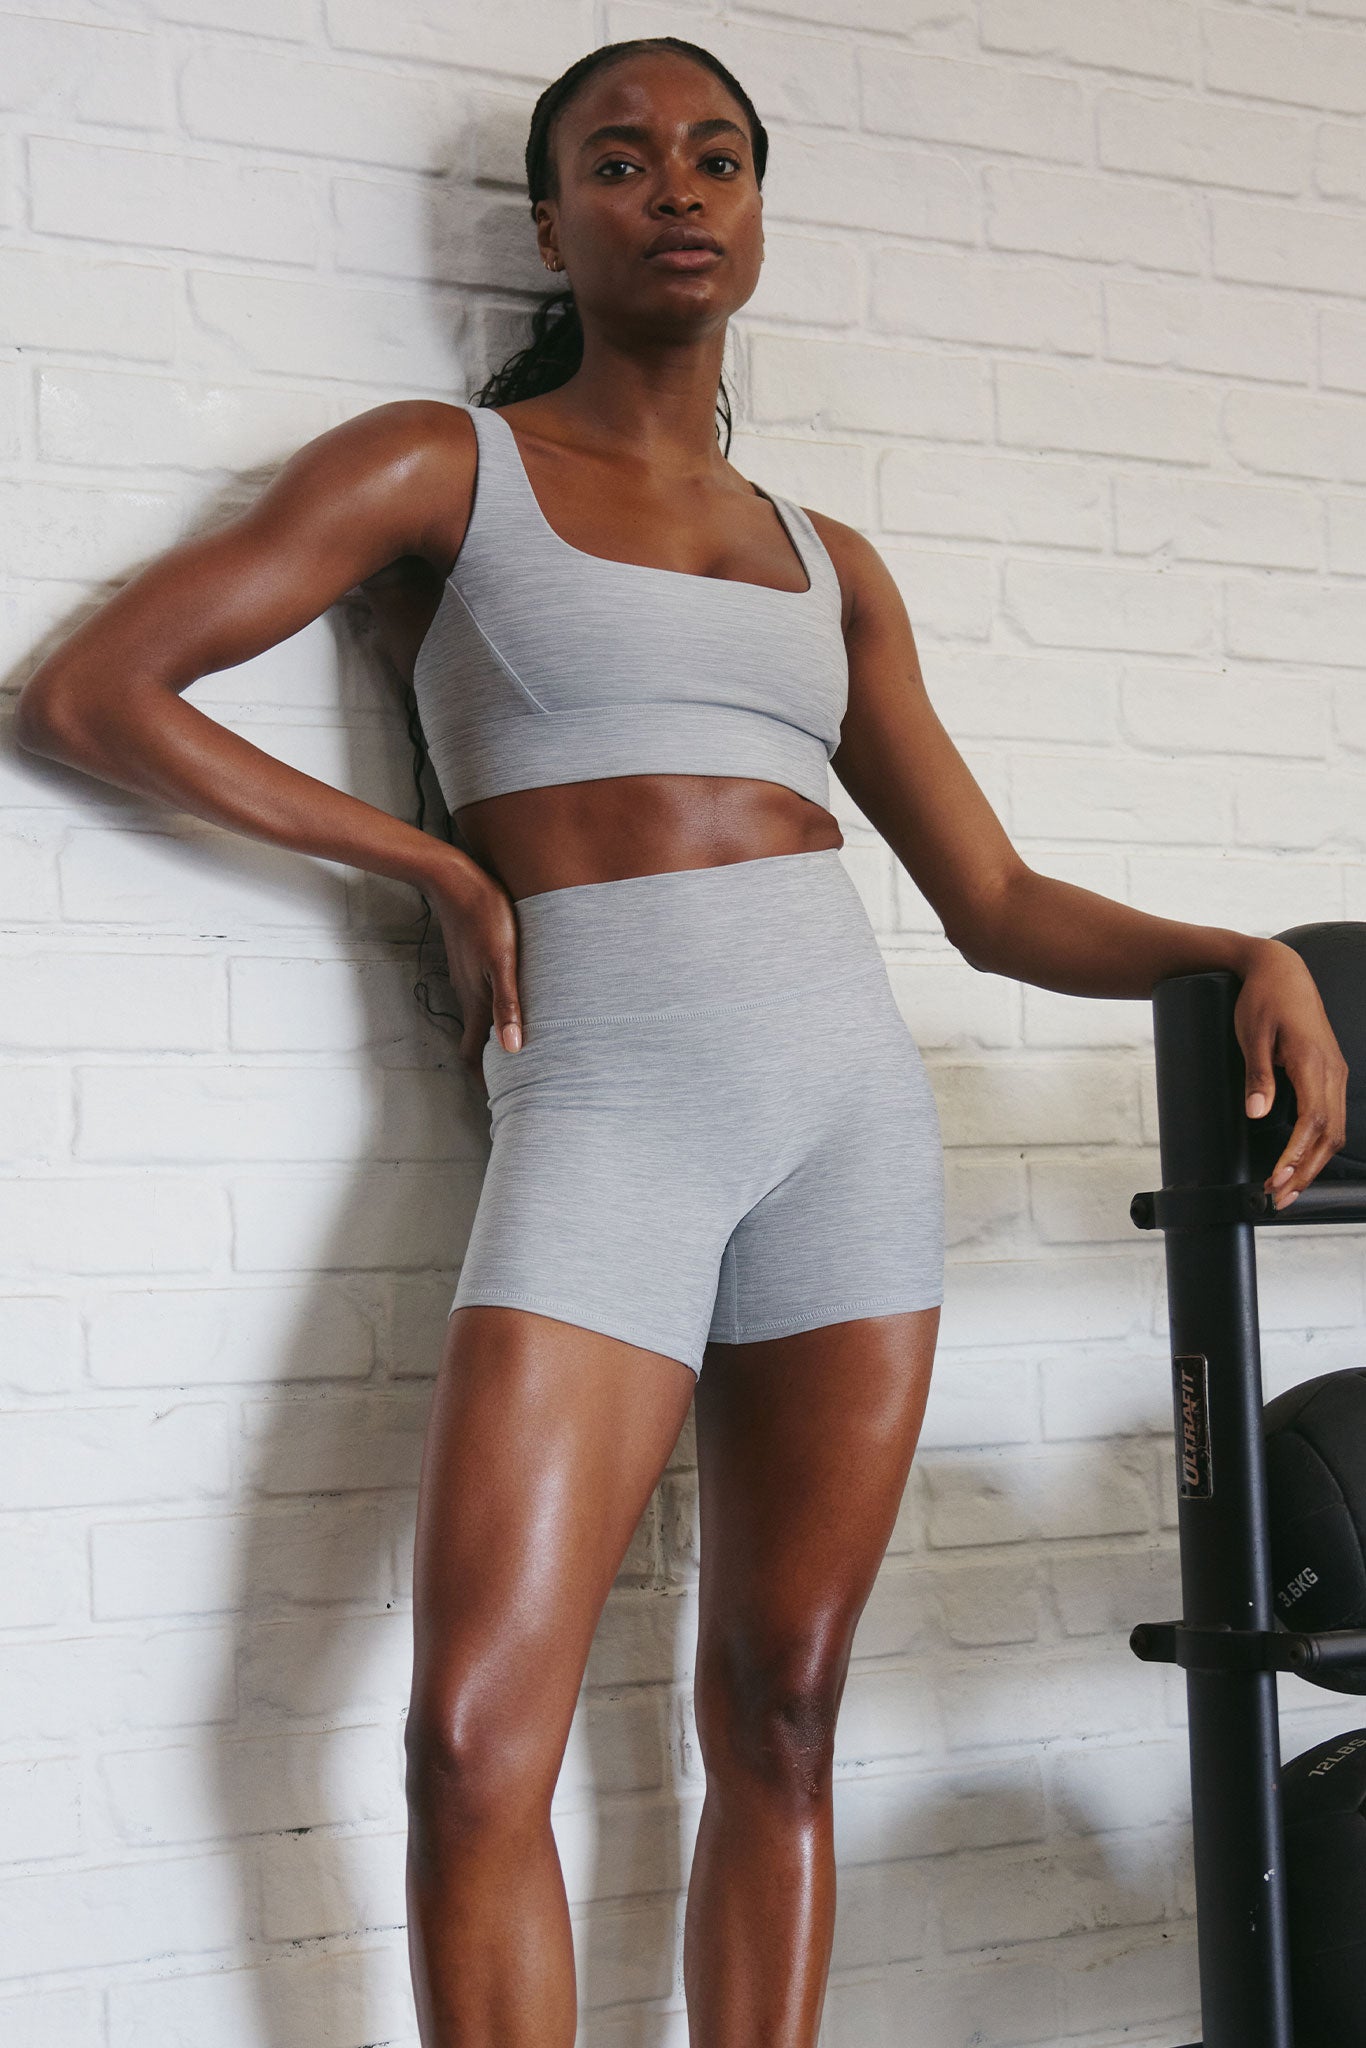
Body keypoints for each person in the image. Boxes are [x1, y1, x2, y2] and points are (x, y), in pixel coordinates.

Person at [14, 32, 1349, 2048]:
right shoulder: (436, 467)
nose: (677, 188)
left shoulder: (828, 561)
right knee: (471, 1736)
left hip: (845, 1123)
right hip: (608, 1111)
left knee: (785, 1710)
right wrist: (432, 869)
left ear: (754, 214)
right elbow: (100, 692)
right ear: (550, 217)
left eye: (715, 157)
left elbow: (989, 904)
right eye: (621, 160)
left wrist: (1235, 948)